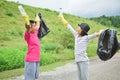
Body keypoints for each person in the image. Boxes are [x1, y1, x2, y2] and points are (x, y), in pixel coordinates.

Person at [58, 14, 102, 80]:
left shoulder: (86, 38)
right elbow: (69, 27)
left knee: (84, 78)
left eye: (79, 27)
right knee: (80, 78)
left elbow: (96, 34)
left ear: (82, 30)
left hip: (84, 61)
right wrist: (62, 19)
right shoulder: (76, 35)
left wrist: (101, 32)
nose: (77, 28)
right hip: (78, 61)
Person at [22, 14, 41, 80]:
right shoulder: (27, 34)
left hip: (37, 59)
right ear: (30, 27)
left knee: (35, 77)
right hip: (30, 60)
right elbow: (27, 27)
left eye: (34, 25)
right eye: (33, 26)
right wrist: (26, 20)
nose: (35, 26)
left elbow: (38, 24)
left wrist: (37, 16)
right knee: (29, 78)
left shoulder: (35, 32)